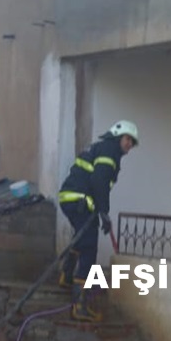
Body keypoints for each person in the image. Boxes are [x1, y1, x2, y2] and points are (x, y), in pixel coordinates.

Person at [58, 120, 138, 322]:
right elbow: (99, 181)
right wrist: (104, 212)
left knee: (81, 239)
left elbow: (96, 181)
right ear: (118, 136)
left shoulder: (104, 148)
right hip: (79, 201)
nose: (130, 144)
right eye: (128, 139)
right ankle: (80, 306)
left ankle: (67, 276)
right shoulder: (109, 151)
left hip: (72, 199)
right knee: (89, 248)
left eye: (132, 142)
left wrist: (101, 211)